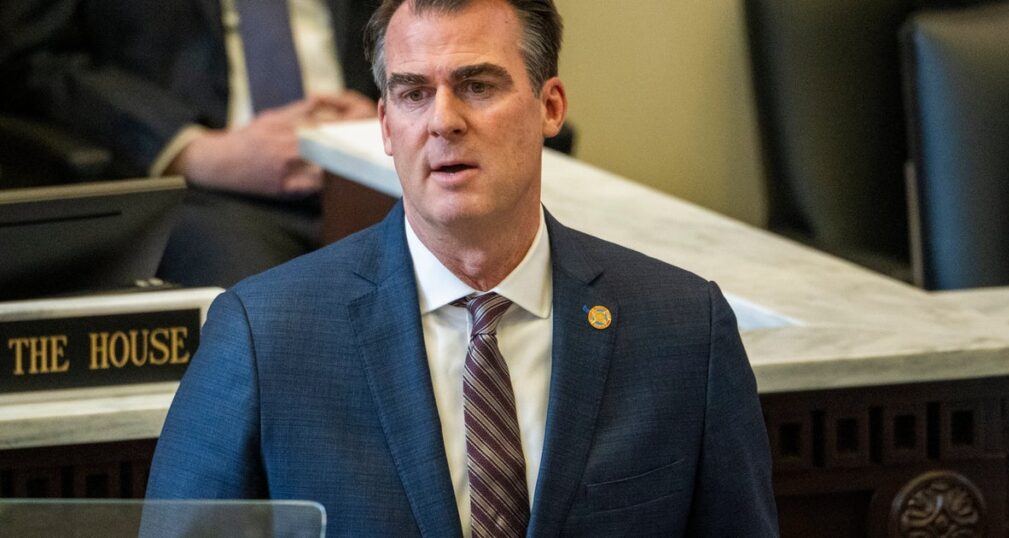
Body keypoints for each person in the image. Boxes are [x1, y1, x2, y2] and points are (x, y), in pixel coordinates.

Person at [146, 0, 779, 535]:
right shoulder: (265, 334)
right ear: (385, 125)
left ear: (550, 107)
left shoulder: (684, 330)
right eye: (413, 94)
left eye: (478, 86)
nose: (444, 121)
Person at [0, 0, 381, 287]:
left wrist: (396, 104)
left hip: (375, 168)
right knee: (266, 302)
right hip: (204, 189)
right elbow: (35, 56)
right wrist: (189, 150)